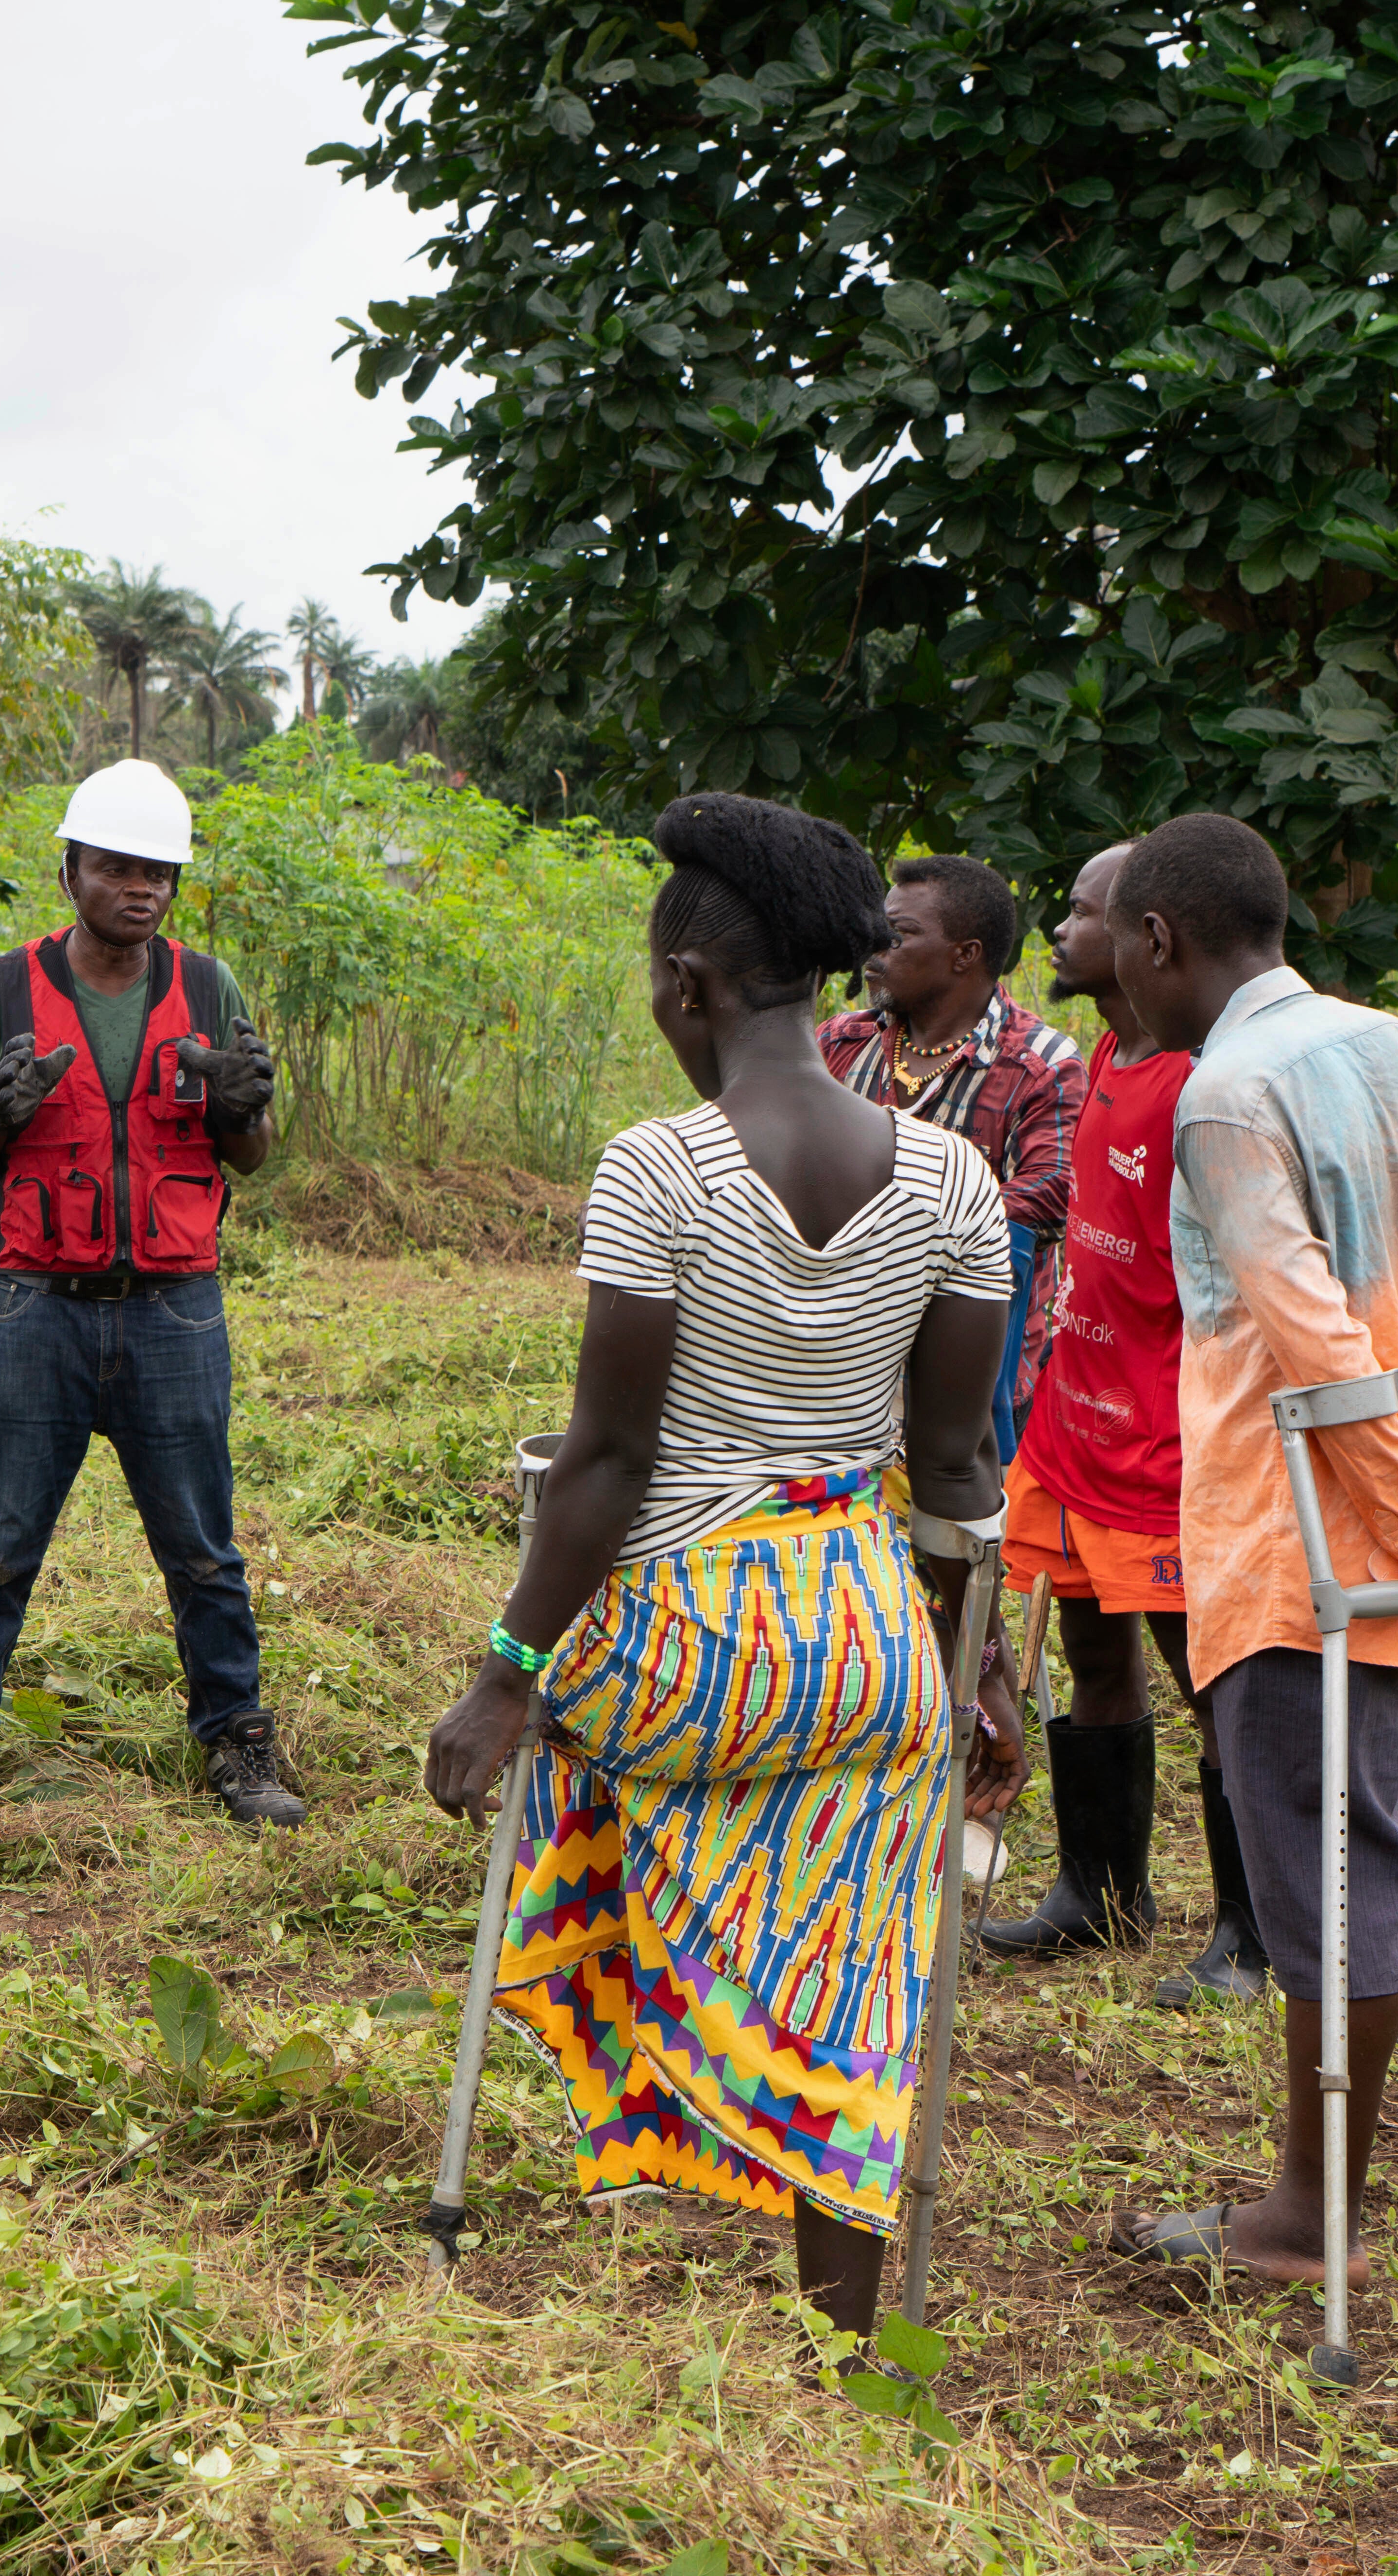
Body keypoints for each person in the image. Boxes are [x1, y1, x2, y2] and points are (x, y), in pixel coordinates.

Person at [424, 791, 1015, 2344]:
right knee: (858, 1953)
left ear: (688, 981)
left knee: (566, 1754)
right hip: (876, 1639)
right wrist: (977, 1675)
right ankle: (837, 2333)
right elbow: (953, 1474)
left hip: (684, 1656)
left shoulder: (659, 1170)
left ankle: (649, 2071)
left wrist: (504, 1675)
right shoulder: (954, 1182)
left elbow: (607, 1466)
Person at [1102, 812, 1398, 2287]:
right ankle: (1311, 2194)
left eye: (1115, 937)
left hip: (1296, 1539)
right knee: (1350, 1834)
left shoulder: (1224, 1095)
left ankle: (1305, 2218)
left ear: (1162, 939)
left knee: (1328, 1858)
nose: (1102, 962)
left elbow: (1311, 1349)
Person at [0, 759, 296, 1825]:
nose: (142, 890)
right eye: (119, 868)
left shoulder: (208, 987)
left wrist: (242, 1106)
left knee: (203, 1550)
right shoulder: (6, 988)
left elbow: (253, 1155)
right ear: (72, 870)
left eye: (160, 874)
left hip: (177, 1309)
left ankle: (239, 1744)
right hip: (32, 1306)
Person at [977, 843, 1265, 1998]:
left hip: (1169, 1441)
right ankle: (1101, 1893)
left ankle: (1253, 1930)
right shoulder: (1104, 1047)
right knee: (1091, 1651)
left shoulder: (1206, 1083)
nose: (1059, 928)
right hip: (1074, 1421)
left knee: (1212, 1680)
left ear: (1149, 933)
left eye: (1084, 910)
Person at [818, 852, 1084, 1464]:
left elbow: (1052, 1194)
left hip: (970, 1364)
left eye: (900, 935)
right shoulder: (842, 1042)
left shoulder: (1040, 1063)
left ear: (964, 954)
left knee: (955, 1530)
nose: (874, 949)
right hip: (838, 1352)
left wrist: (890, 1217)